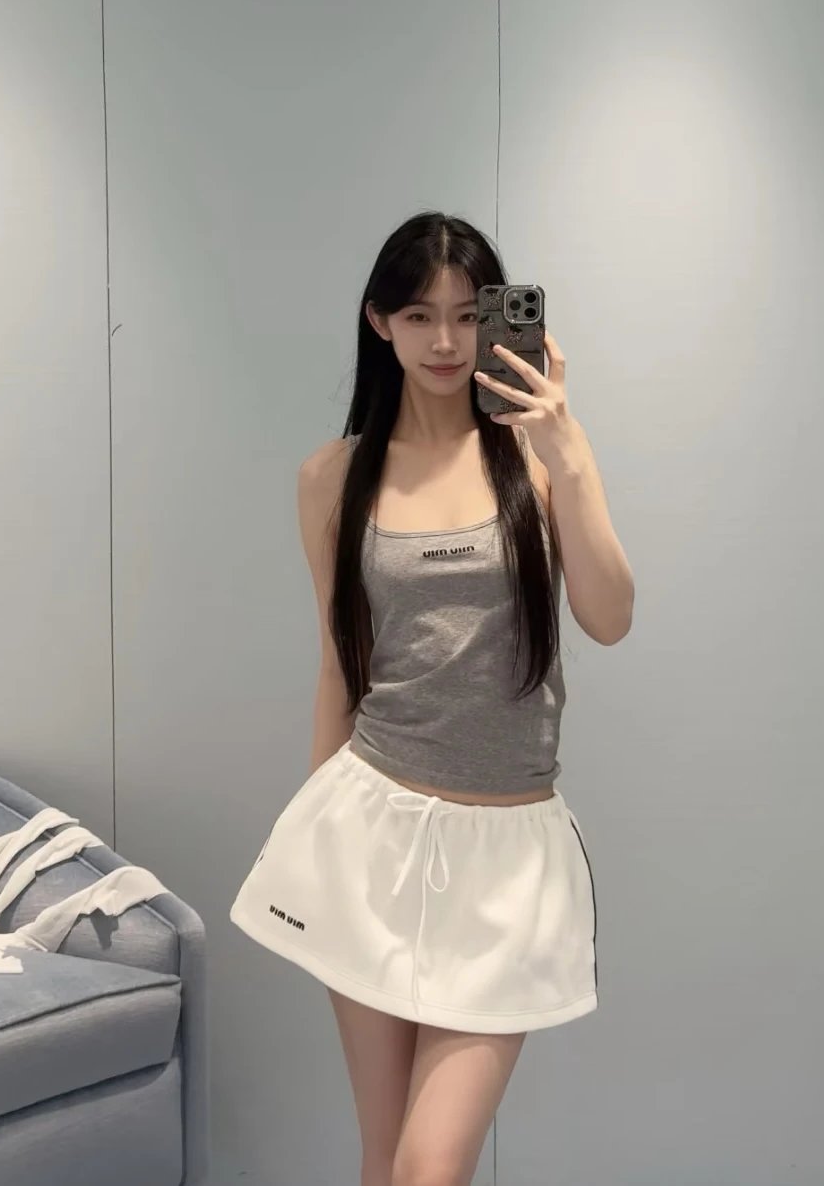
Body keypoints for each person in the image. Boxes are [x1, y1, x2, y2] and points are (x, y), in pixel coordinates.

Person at [230, 211, 634, 1186]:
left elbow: (611, 615)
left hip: (506, 855)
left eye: (465, 315)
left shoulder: (537, 460)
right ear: (380, 323)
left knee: (429, 1166)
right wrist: (312, 838)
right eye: (419, 315)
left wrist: (570, 452)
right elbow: (341, 664)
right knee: (385, 1159)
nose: (446, 341)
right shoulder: (332, 477)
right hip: (371, 830)